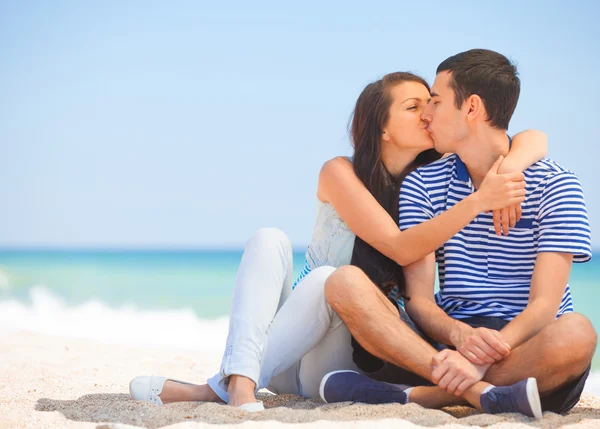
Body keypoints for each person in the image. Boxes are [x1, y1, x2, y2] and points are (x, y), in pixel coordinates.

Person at [129, 71, 547, 412]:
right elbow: (400, 247)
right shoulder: (340, 172)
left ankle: (219, 388)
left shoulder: (434, 179)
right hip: (287, 348)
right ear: (382, 126)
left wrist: (506, 172)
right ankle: (237, 385)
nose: (428, 113)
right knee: (271, 240)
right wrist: (480, 201)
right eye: (413, 106)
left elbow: (534, 138)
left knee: (335, 278)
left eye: (432, 104)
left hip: (343, 361)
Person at [321, 49, 595, 418]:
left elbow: (545, 307)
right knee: (345, 283)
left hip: (528, 348)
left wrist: (482, 359)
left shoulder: (555, 184)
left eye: (435, 100)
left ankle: (430, 393)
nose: (428, 114)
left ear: (472, 108)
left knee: (577, 332)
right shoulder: (423, 183)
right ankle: (477, 394)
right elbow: (420, 300)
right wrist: (460, 336)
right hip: (448, 344)